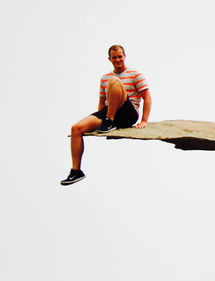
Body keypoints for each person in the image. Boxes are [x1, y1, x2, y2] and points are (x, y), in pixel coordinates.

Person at [61, 45, 152, 185]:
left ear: (125, 56)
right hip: (110, 111)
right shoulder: (104, 78)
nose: (117, 60)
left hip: (128, 112)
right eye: (114, 57)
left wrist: (144, 120)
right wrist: (99, 122)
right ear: (109, 59)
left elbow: (147, 98)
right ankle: (76, 171)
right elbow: (102, 103)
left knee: (114, 81)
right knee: (76, 128)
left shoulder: (135, 74)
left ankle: (110, 121)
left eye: (120, 56)